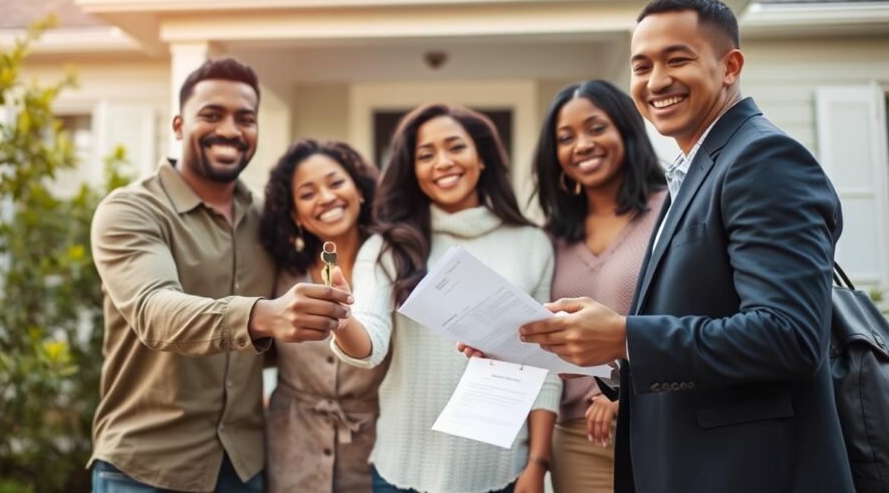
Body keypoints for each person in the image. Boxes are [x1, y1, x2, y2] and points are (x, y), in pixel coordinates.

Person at [520, 0, 853, 492]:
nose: (656, 81)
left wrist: (626, 336)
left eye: (677, 59)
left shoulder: (764, 159)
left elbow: (789, 336)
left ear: (730, 66)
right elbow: (693, 323)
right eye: (642, 66)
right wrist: (577, 344)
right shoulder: (696, 169)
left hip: (749, 472)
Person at [87, 58, 353, 493]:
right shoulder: (131, 211)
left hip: (245, 467)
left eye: (245, 119)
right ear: (178, 125)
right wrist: (262, 315)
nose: (230, 129)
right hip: (147, 469)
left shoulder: (267, 220)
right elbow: (155, 311)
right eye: (211, 115)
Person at [330, 104, 562, 493]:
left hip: (503, 468)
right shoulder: (389, 246)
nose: (442, 162)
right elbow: (370, 342)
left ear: (482, 157)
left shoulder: (532, 243)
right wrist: (341, 319)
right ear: (412, 170)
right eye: (426, 155)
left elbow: (544, 364)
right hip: (404, 467)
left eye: (455, 147)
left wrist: (538, 464)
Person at [531, 80, 666, 493]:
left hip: (661, 424)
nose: (582, 145)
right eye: (565, 138)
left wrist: (631, 392)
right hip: (576, 439)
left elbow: (690, 315)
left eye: (596, 127)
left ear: (626, 129)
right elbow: (545, 335)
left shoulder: (672, 211)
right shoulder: (550, 237)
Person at [258, 139, 389, 492]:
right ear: (295, 214)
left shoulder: (391, 264)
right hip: (291, 451)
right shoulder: (282, 275)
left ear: (359, 190)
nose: (326, 197)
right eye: (308, 192)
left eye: (335, 183)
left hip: (372, 452)